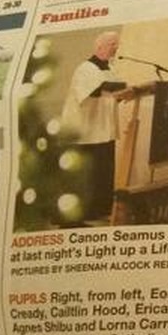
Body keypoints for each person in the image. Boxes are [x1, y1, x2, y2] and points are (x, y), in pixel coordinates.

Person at [61, 31, 129, 223]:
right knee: (89, 175)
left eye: (117, 44)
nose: (115, 47)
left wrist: (125, 93)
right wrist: (115, 88)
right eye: (112, 44)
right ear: (99, 47)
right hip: (86, 132)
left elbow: (112, 93)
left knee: (104, 173)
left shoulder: (110, 69)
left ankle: (102, 209)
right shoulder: (85, 68)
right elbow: (92, 92)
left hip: (104, 130)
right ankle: (83, 212)